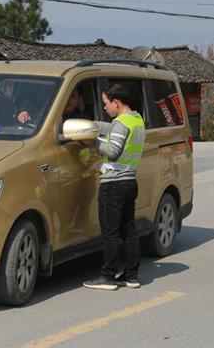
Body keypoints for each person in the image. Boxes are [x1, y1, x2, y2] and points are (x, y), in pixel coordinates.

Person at [83, 83, 145, 290]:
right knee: (129, 231)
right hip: (129, 182)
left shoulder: (121, 123)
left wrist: (91, 140)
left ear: (116, 103)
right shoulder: (136, 120)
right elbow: (110, 128)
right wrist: (92, 125)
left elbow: (112, 150)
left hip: (113, 184)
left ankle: (108, 276)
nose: (105, 108)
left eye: (106, 103)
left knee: (110, 233)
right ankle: (131, 276)